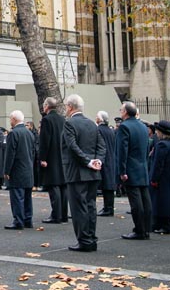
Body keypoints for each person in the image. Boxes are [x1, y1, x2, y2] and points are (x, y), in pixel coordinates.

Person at [62, 94, 105, 252]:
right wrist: (97, 161)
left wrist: (87, 161)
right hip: (93, 172)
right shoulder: (92, 124)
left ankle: (84, 240)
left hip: (77, 171)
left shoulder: (69, 124)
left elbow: (72, 146)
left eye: (66, 105)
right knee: (91, 206)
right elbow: (101, 145)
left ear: (70, 107)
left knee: (79, 207)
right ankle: (91, 238)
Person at [116, 101, 151, 240]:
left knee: (136, 202)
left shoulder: (124, 127)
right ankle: (146, 228)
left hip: (131, 167)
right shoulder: (143, 126)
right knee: (145, 199)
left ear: (125, 112)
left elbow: (122, 151)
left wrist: (122, 170)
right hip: (142, 166)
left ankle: (139, 230)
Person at [38, 97, 68, 224]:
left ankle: (56, 215)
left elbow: (45, 140)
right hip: (62, 155)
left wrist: (43, 157)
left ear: (46, 106)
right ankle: (64, 215)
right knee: (63, 186)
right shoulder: (63, 119)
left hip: (51, 156)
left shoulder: (46, 120)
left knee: (54, 185)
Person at [2, 110, 34, 230]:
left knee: (17, 197)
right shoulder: (29, 133)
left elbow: (10, 154)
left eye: (11, 119)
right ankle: (28, 219)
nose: (10, 121)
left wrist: (7, 171)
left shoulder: (13, 133)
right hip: (28, 169)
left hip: (16, 169)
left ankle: (18, 220)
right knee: (27, 197)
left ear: (14, 119)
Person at [149, 120, 170, 234]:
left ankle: (165, 225)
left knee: (163, 201)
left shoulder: (162, 145)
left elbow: (158, 164)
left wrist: (154, 179)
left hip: (163, 178)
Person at [95, 111, 116, 217]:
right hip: (111, 158)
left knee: (105, 185)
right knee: (109, 185)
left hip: (103, 159)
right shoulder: (111, 130)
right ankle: (109, 207)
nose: (96, 118)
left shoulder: (98, 130)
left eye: (97, 117)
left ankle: (107, 208)